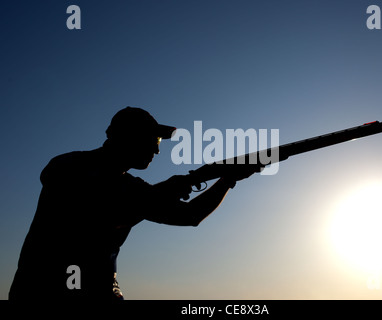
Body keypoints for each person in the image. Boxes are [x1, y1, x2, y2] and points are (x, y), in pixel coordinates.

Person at [9, 107, 260, 300]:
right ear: (130, 137)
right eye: (154, 140)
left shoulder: (134, 187)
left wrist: (227, 180)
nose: (157, 150)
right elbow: (95, 211)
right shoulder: (68, 166)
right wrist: (165, 191)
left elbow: (190, 216)